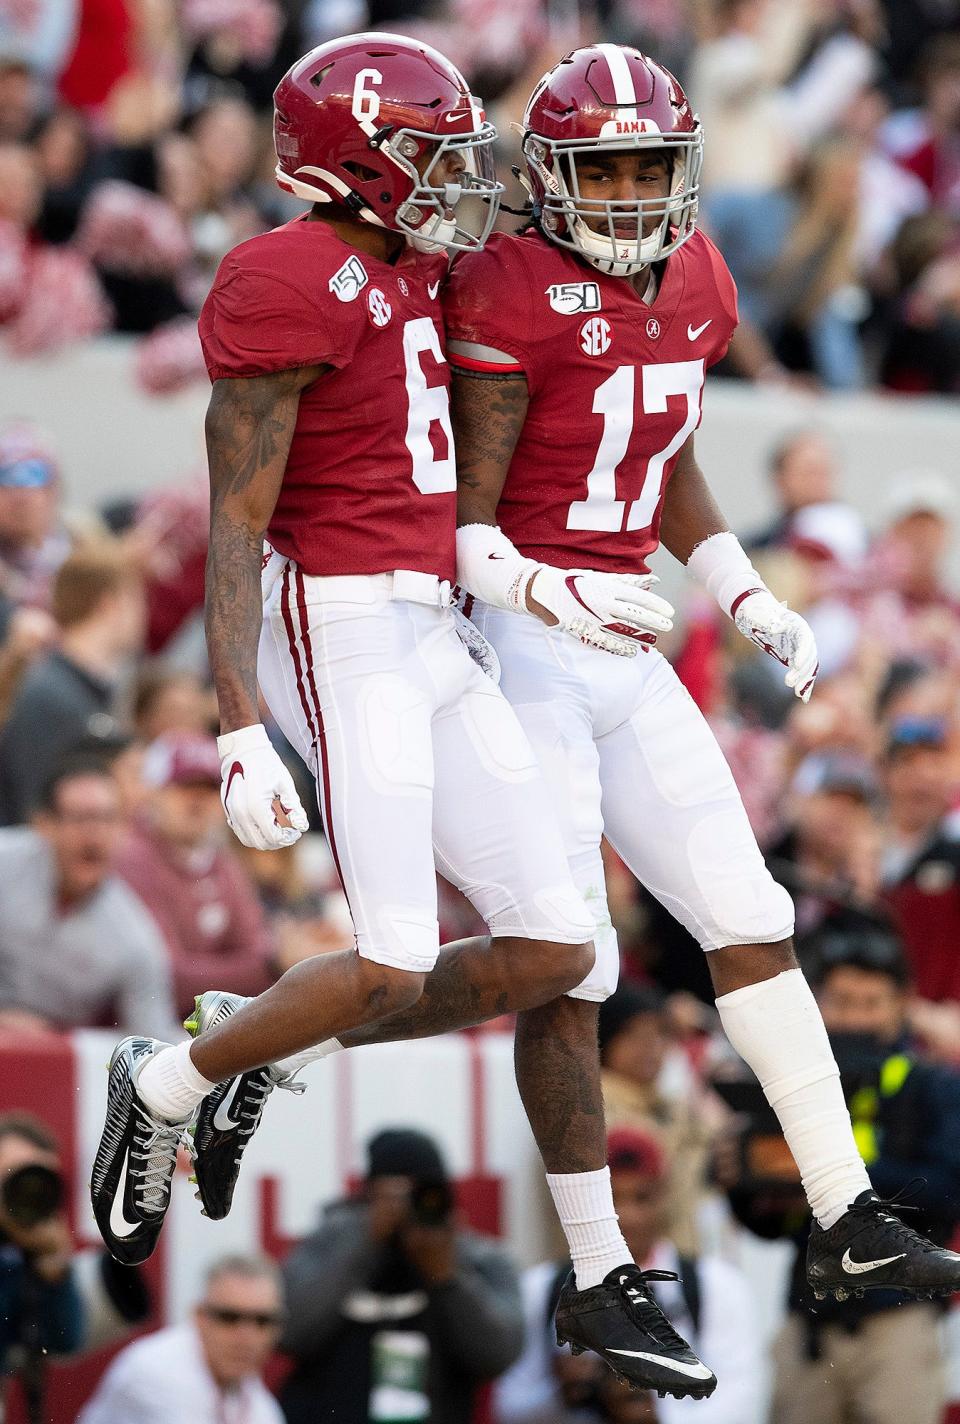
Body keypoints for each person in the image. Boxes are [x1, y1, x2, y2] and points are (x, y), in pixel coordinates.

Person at [89, 34, 711, 1401]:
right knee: (385, 955)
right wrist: (239, 720)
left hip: (439, 624)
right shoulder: (278, 277)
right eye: (431, 153)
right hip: (347, 627)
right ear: (353, 159)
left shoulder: (422, 266)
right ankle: (174, 1082)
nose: (457, 178)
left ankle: (239, 1049)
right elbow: (239, 526)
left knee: (560, 947)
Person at [441, 38, 960, 1326]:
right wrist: (548, 590)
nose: (625, 194)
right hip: (517, 639)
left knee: (752, 911)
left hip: (627, 640)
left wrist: (744, 586)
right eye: (601, 169)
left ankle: (845, 1213)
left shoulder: (699, 276)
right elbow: (459, 515)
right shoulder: (503, 287)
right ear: (551, 177)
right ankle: (600, 1268)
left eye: (647, 168)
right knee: (571, 960)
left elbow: (661, 447)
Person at [766, 913, 960, 1424]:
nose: (855, 1020)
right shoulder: (789, 1092)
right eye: (842, 1003)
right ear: (818, 1004)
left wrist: (834, 1175)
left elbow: (946, 1192)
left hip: (899, 1322)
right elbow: (764, 1222)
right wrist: (750, 1181)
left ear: (903, 1004)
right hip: (806, 1320)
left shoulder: (933, 1087)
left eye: (871, 1004)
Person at [494, 1126, 763, 1424]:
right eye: (611, 1200)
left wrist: (652, 1410)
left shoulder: (716, 1286)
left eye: (642, 1197)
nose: (627, 1216)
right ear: (586, 1203)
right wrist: (561, 1392)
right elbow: (508, 1406)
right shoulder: (542, 1289)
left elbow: (743, 1402)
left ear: (664, 1197)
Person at [279, 1127, 523, 1424]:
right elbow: (287, 1333)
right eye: (395, 1195)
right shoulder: (332, 1240)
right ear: (369, 1194)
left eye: (420, 1195)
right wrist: (366, 1242)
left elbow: (497, 1357)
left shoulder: (479, 1257)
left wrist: (447, 1277)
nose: (408, 1208)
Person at [0, 755, 178, 1038]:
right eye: (81, 819)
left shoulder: (134, 938)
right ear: (45, 824)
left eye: (107, 820)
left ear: (123, 830)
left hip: (48, 1061)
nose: (94, 836)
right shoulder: (6, 863)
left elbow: (154, 1043)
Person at [115, 732, 274, 1019]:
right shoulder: (130, 858)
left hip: (194, 1024)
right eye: (184, 787)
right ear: (153, 791)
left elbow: (254, 947)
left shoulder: (222, 862)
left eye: (209, 790)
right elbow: (166, 977)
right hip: (132, 1030)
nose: (197, 802)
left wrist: (268, 963)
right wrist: (271, 966)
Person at [0, 538, 146, 825]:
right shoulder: (47, 694)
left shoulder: (89, 690)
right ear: (110, 604)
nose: (145, 614)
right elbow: (31, 812)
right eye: (138, 599)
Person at [77, 1254, 285, 1424]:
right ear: (199, 1317)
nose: (246, 1336)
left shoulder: (251, 1392)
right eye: (229, 1318)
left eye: (262, 1321)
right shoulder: (156, 1369)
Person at [598, 985, 716, 1255]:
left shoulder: (675, 1108)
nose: (649, 1048)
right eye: (635, 1036)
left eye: (659, 1035)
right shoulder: (588, 1112)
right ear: (604, 1040)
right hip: (618, 1273)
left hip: (677, 1266)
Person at [0, 1115, 83, 1395]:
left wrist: (54, 1263)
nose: (25, 1192)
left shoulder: (26, 1255)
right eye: (13, 1176)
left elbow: (64, 1341)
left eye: (37, 1180)